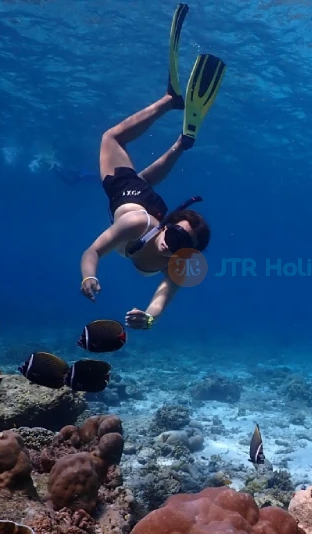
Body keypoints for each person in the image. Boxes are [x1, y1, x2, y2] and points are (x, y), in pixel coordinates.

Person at [79, 3, 224, 330]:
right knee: (111, 139)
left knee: (143, 180)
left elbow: (162, 297)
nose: (172, 244)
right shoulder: (135, 225)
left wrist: (149, 318)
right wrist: (89, 275)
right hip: (130, 201)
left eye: (181, 244)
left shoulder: (179, 263)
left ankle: (181, 144)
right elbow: (92, 252)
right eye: (175, 234)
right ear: (168, 226)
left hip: (147, 200)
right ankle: (170, 100)